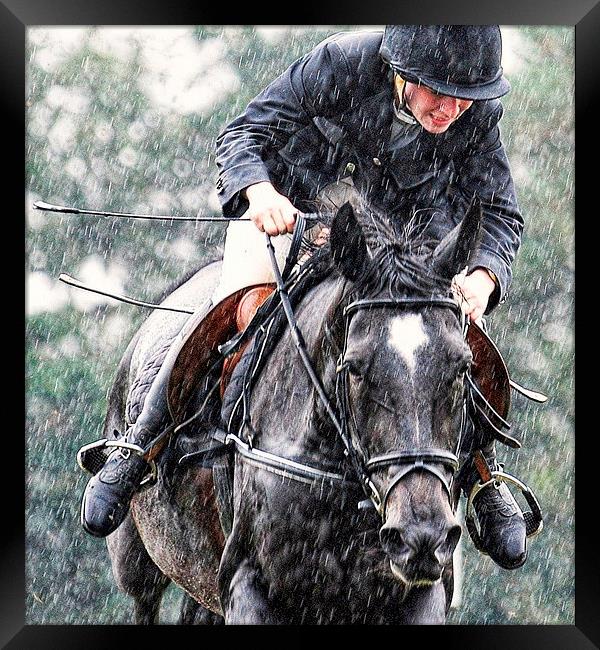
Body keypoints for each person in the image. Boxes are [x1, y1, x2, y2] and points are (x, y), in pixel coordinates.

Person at [81, 25, 528, 571]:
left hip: (398, 253)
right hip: (294, 221)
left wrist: (484, 274)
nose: (453, 109)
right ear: (404, 71)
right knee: (238, 305)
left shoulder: (474, 108)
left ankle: (482, 474)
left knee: (446, 346)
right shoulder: (342, 64)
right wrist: (260, 192)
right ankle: (140, 443)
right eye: (440, 92)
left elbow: (500, 212)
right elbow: (242, 133)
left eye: (466, 98)